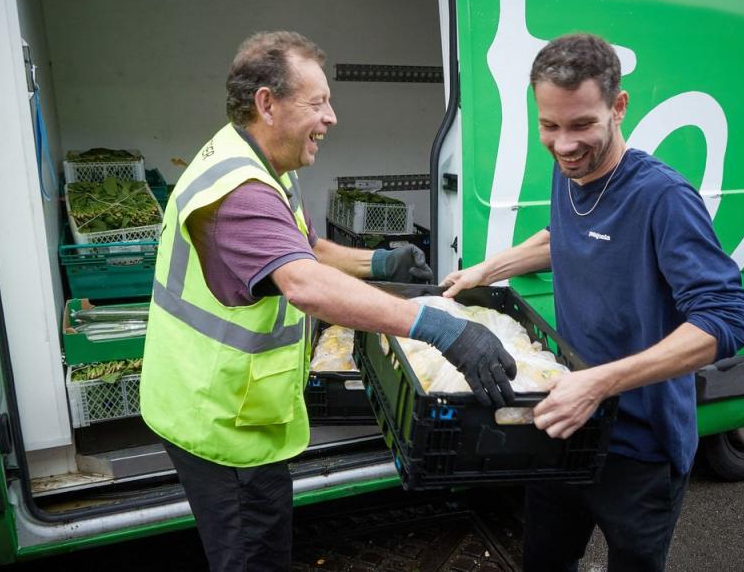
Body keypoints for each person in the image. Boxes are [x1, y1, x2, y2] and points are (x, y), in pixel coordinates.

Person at [139, 31, 517, 572]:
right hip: (219, 424)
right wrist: (441, 329)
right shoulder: (238, 191)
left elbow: (305, 249)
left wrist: (380, 264)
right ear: (267, 104)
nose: (332, 117)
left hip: (228, 407)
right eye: (317, 103)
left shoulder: (260, 160)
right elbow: (304, 284)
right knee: (252, 557)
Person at [442, 33, 744, 571]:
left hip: (640, 449)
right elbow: (564, 238)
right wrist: (488, 270)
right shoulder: (571, 173)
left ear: (619, 107)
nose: (564, 144)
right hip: (565, 427)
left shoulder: (664, 198)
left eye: (582, 124)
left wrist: (600, 382)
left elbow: (724, 319)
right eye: (550, 126)